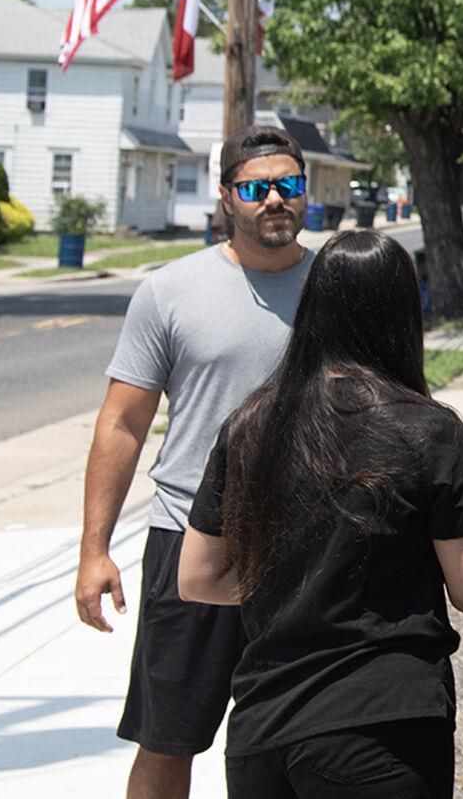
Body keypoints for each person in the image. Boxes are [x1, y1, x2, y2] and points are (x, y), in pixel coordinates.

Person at [177, 229, 463, 799]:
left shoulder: (250, 425)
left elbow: (198, 577)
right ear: (404, 313)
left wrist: (295, 585)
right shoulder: (428, 430)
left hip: (263, 729)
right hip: (383, 724)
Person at [75, 124, 315, 799]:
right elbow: (122, 423)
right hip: (191, 540)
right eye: (256, 187)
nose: (274, 199)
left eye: (288, 185)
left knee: (306, 733)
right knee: (168, 737)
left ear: (305, 192)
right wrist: (95, 549)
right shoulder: (170, 291)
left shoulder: (335, 283)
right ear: (226, 196)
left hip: (311, 544)